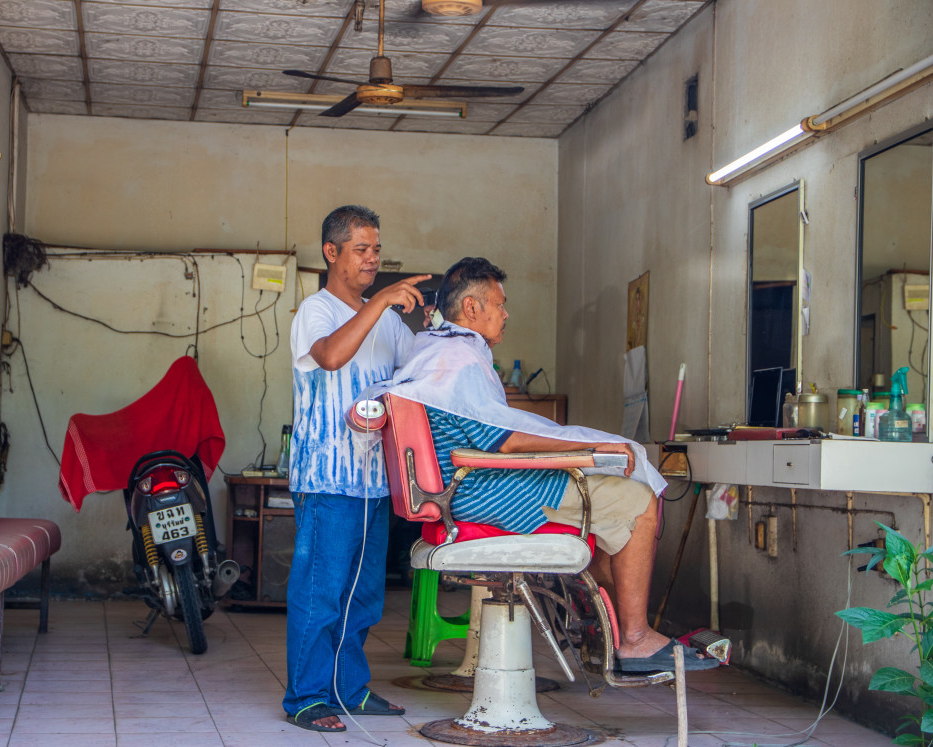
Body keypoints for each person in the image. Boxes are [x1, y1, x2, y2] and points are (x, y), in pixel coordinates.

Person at [362, 257, 719, 674]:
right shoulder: (457, 360)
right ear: (472, 308)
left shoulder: (436, 350)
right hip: (486, 490)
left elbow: (493, 434)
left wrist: (584, 449)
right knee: (636, 500)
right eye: (499, 303)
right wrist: (592, 448)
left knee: (607, 498)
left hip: (462, 488)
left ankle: (604, 626)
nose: (506, 313)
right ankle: (635, 639)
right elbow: (505, 439)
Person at [283, 205, 430, 732]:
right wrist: (385, 301)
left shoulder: (389, 322)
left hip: (374, 482)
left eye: (376, 250)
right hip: (326, 478)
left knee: (364, 596)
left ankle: (349, 690)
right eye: (361, 249)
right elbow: (330, 357)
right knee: (321, 592)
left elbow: (420, 376)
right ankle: (305, 696)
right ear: (332, 252)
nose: (372, 259)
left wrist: (441, 333)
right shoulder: (316, 312)